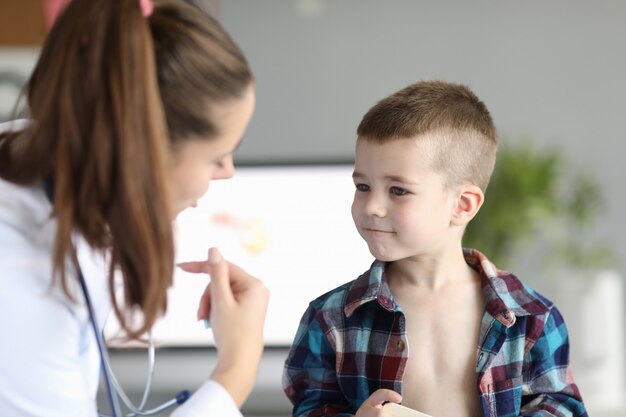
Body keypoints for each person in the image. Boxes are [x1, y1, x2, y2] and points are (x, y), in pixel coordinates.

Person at [0, 0, 269, 416]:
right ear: (142, 155)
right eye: (217, 155)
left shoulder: (45, 158)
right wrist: (235, 372)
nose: (227, 172)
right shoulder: (21, 282)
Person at [282, 80, 588, 417]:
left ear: (463, 204)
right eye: (363, 186)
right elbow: (311, 408)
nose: (371, 206)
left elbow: (560, 408)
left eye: (398, 190)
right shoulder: (331, 318)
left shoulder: (531, 317)